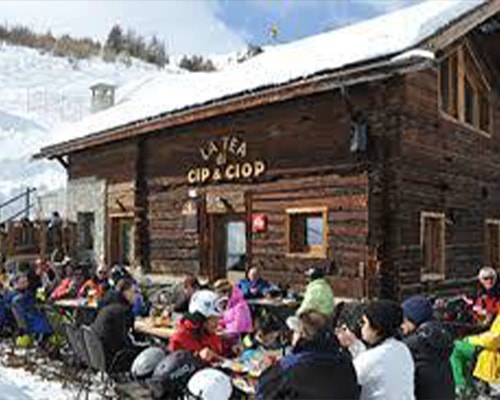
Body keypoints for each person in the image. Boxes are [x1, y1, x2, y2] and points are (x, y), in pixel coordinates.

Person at [257, 310, 359, 399]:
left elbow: (262, 390)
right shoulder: (346, 362)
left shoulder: (292, 365)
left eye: (295, 331)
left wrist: (270, 369)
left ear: (301, 334)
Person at [336, 300, 415, 400]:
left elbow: (343, 380)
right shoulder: (403, 349)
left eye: (364, 323)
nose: (361, 328)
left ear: (376, 328)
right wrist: (354, 344)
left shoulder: (371, 359)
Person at [401, 295, 454, 400]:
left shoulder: (411, 346)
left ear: (413, 320)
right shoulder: (441, 338)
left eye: (404, 319)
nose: (402, 324)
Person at [91, 278, 144, 372]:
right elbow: (123, 340)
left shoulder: (109, 305)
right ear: (125, 293)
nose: (136, 296)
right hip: (111, 359)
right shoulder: (121, 311)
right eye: (133, 292)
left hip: (97, 355)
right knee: (144, 353)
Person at [450, 311, 500, 398]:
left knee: (455, 348)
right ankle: (467, 387)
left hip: (492, 352)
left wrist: (471, 339)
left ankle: (462, 387)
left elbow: (494, 339)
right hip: (490, 347)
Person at [168, 290, 226, 363]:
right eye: (213, 319)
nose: (217, 323)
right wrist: (198, 358)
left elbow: (218, 355)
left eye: (218, 319)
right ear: (200, 318)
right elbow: (174, 365)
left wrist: (230, 349)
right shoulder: (180, 338)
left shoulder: (209, 333)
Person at [10, 272, 52, 346]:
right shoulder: (17, 298)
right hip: (32, 321)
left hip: (35, 319)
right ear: (16, 283)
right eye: (23, 282)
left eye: (26, 281)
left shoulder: (27, 294)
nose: (26, 283)